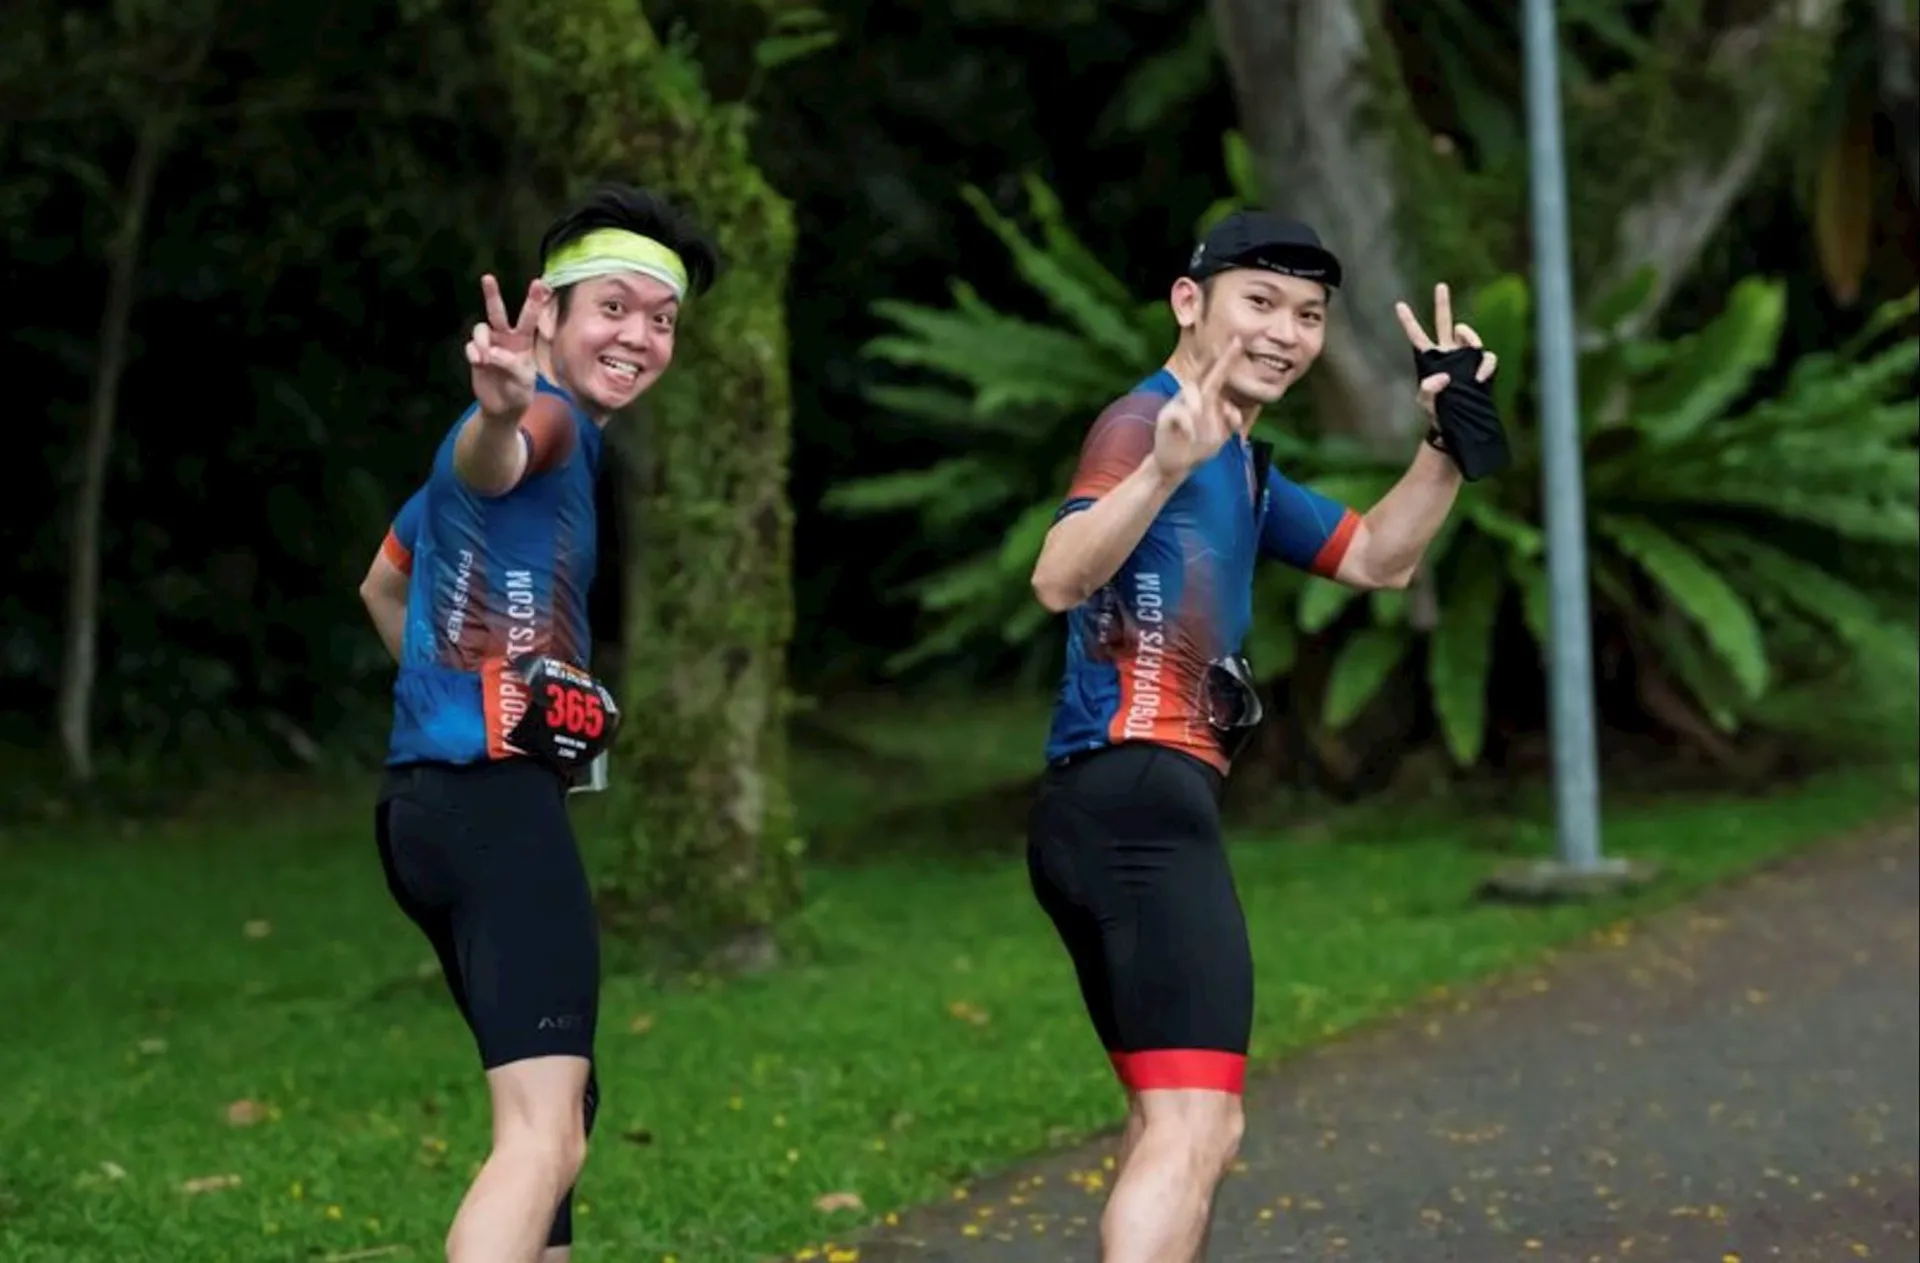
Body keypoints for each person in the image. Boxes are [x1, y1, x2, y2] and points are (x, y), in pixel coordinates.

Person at [1025, 210, 1500, 1263]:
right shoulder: (1146, 424)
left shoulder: (1238, 467)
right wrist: (1157, 468)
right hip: (1137, 801)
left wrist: (1446, 440)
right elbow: (1059, 575)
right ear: (1190, 304)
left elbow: (1381, 557)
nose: (1286, 332)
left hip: (1115, 809)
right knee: (1198, 1124)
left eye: (1310, 314)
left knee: (1177, 1120)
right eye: (1262, 303)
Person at [356, 184, 720, 1263]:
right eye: (615, 307)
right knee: (540, 1135)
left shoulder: (549, 448)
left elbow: (380, 587)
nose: (642, 336)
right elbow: (495, 454)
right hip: (488, 813)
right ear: (550, 317)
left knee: (561, 1110)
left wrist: (450, 692)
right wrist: (507, 412)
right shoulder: (545, 424)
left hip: (426, 807)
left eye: (663, 319)